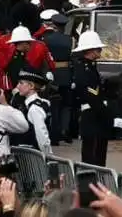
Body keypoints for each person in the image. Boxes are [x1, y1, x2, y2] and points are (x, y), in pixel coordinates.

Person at [73, 30, 122, 166]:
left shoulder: (90, 67)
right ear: (90, 50)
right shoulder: (84, 69)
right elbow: (92, 98)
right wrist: (111, 119)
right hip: (92, 118)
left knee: (99, 159)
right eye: (98, 48)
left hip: (96, 117)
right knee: (92, 160)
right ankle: (90, 187)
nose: (100, 50)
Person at [45, 12, 74, 144]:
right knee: (67, 105)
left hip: (53, 73)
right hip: (66, 73)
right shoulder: (70, 40)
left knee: (54, 105)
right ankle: (65, 130)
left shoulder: (47, 39)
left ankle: (54, 132)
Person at [12, 67, 52, 155]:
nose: (18, 86)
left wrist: (47, 156)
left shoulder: (34, 108)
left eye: (21, 83)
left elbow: (42, 136)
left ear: (31, 86)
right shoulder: (33, 104)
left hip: (32, 157)